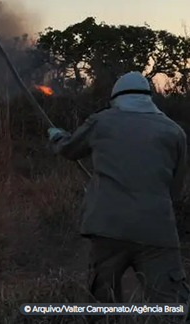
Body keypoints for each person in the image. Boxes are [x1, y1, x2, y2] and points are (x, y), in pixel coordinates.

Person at [48, 72, 190, 308]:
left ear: (116, 98)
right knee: (173, 304)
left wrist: (56, 137)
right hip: (157, 230)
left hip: (107, 228)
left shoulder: (101, 121)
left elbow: (69, 149)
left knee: (103, 302)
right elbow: (175, 188)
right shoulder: (174, 131)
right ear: (149, 97)